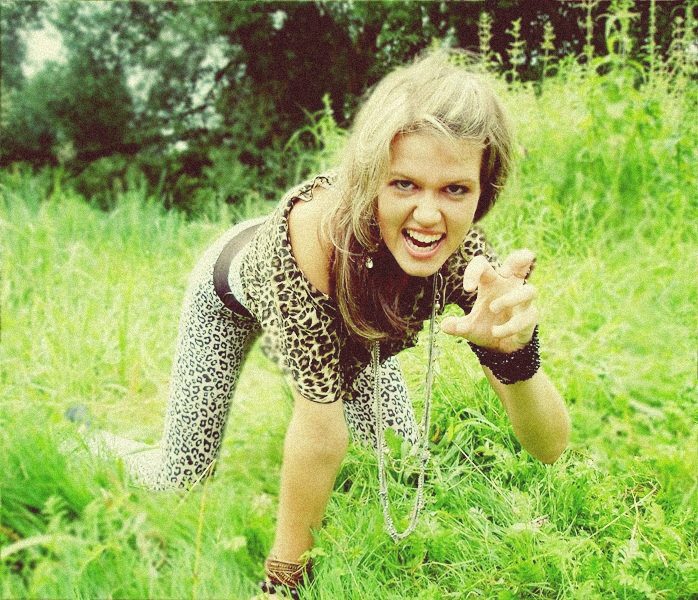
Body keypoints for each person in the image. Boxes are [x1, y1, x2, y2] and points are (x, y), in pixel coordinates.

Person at [87, 49, 570, 597]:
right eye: (403, 183)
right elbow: (319, 433)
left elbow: (550, 447)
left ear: (483, 191)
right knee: (181, 475)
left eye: (454, 189)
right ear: (371, 177)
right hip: (234, 291)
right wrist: (283, 583)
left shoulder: (467, 260)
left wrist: (514, 353)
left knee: (403, 463)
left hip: (358, 319)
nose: (429, 214)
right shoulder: (313, 244)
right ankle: (85, 438)